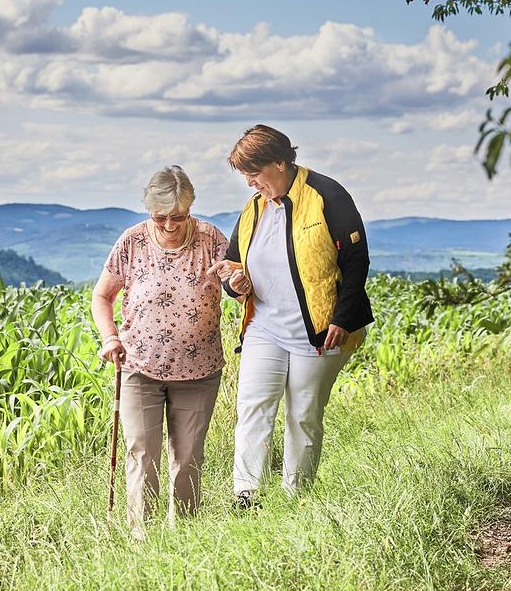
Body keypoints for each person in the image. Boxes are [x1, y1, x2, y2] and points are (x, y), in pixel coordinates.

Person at [209, 124, 373, 509]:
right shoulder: (253, 209)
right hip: (264, 326)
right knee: (252, 407)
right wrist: (235, 284)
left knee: (303, 415)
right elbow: (234, 268)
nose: (249, 184)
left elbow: (356, 261)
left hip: (318, 330)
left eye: (253, 174)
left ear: (279, 163)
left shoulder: (327, 195)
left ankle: (297, 497)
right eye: (244, 176)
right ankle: (246, 497)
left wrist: (342, 318)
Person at [91, 165, 229, 539]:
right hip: (139, 367)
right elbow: (102, 296)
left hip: (199, 370)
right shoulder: (131, 242)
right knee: (142, 454)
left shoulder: (211, 238)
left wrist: (240, 280)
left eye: (179, 216)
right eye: (161, 217)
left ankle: (183, 539)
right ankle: (143, 540)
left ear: (191, 209)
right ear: (149, 210)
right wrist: (110, 338)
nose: (170, 224)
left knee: (187, 461)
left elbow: (239, 286)